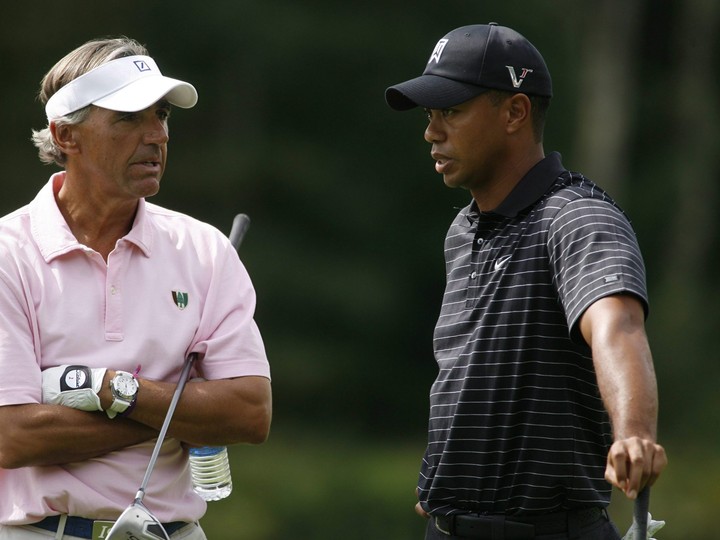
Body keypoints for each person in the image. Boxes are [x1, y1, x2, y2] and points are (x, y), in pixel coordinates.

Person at [385, 23, 667, 540]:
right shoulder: (461, 230)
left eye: (451, 112)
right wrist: (447, 481)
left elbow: (617, 326)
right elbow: (466, 372)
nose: (431, 132)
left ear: (515, 112)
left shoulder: (578, 217)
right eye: (430, 116)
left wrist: (634, 435)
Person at [0, 37, 271, 540]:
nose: (157, 136)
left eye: (162, 115)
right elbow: (14, 436)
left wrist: (109, 390)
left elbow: (249, 412)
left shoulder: (205, 249)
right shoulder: (7, 253)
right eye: (128, 118)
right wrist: (181, 413)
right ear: (66, 136)